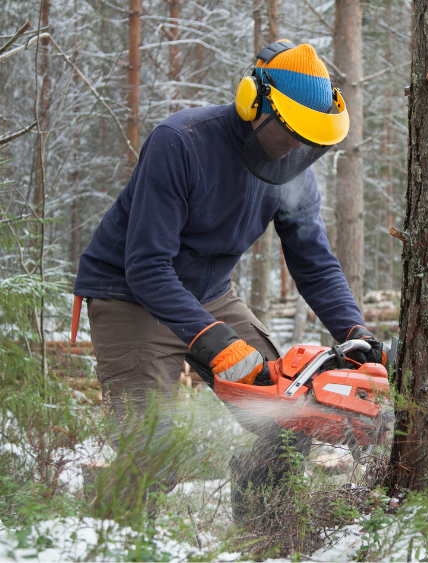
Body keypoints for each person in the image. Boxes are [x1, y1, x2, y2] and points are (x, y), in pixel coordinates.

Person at [72, 40, 384, 521]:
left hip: (210, 294)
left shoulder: (293, 169)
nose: (299, 146)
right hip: (129, 295)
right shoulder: (182, 142)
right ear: (253, 103)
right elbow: (147, 265)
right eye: (291, 132)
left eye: (310, 137)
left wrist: (354, 332)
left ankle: (261, 534)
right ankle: (113, 533)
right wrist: (215, 341)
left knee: (293, 416)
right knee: (153, 453)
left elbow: (313, 261)